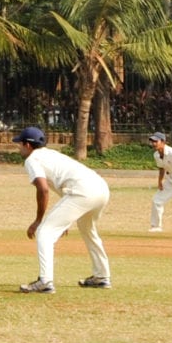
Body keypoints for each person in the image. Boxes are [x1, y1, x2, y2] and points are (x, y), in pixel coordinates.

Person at [16, 125, 112, 293]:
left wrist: (38, 221)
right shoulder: (51, 154)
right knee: (88, 231)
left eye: (20, 144)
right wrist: (65, 220)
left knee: (44, 232)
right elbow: (65, 184)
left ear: (28, 145)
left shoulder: (32, 160)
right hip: (101, 188)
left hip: (82, 191)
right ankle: (102, 276)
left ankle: (45, 281)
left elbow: (43, 189)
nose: (19, 147)